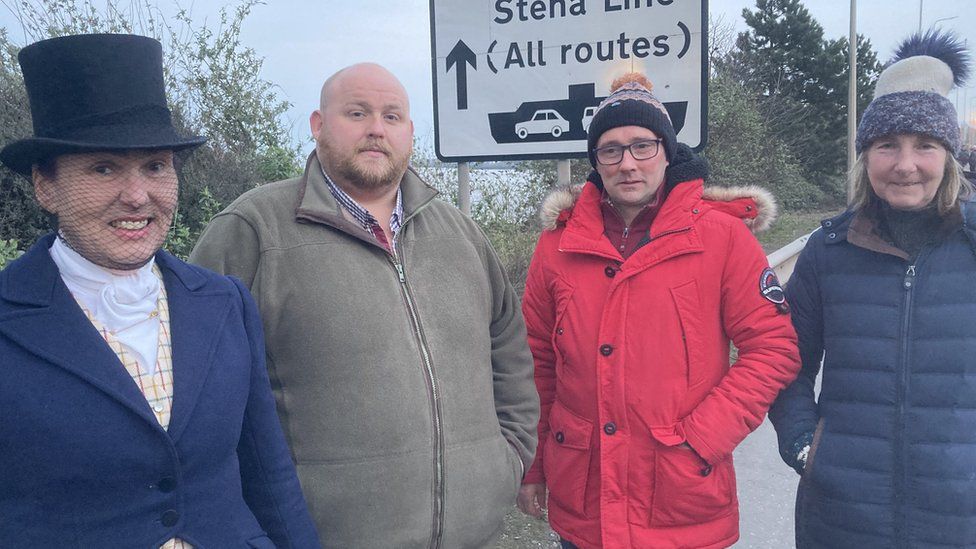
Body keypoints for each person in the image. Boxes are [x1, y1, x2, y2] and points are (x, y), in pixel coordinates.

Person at [189, 62, 539, 548]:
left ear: (410, 132)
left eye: (392, 116)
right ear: (317, 125)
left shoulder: (459, 232)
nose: (377, 129)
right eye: (357, 113)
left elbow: (508, 346)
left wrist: (511, 456)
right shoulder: (254, 230)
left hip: (474, 534)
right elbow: (200, 389)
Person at [0, 34, 319, 547]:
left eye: (155, 166)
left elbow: (269, 474)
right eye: (103, 168)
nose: (137, 195)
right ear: (45, 185)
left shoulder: (224, 302)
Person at [515, 72, 801, 549]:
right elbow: (537, 361)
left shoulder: (722, 237)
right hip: (584, 499)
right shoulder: (557, 245)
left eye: (642, 146)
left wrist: (704, 436)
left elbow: (773, 348)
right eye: (611, 149)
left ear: (667, 151)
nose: (628, 163)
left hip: (680, 496)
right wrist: (536, 463)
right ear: (596, 161)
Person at [769, 31, 976, 548]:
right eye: (888, 145)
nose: (905, 164)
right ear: (866, 157)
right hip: (841, 515)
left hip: (959, 515)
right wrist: (804, 448)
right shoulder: (827, 251)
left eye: (924, 146)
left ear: (947, 156)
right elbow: (786, 361)